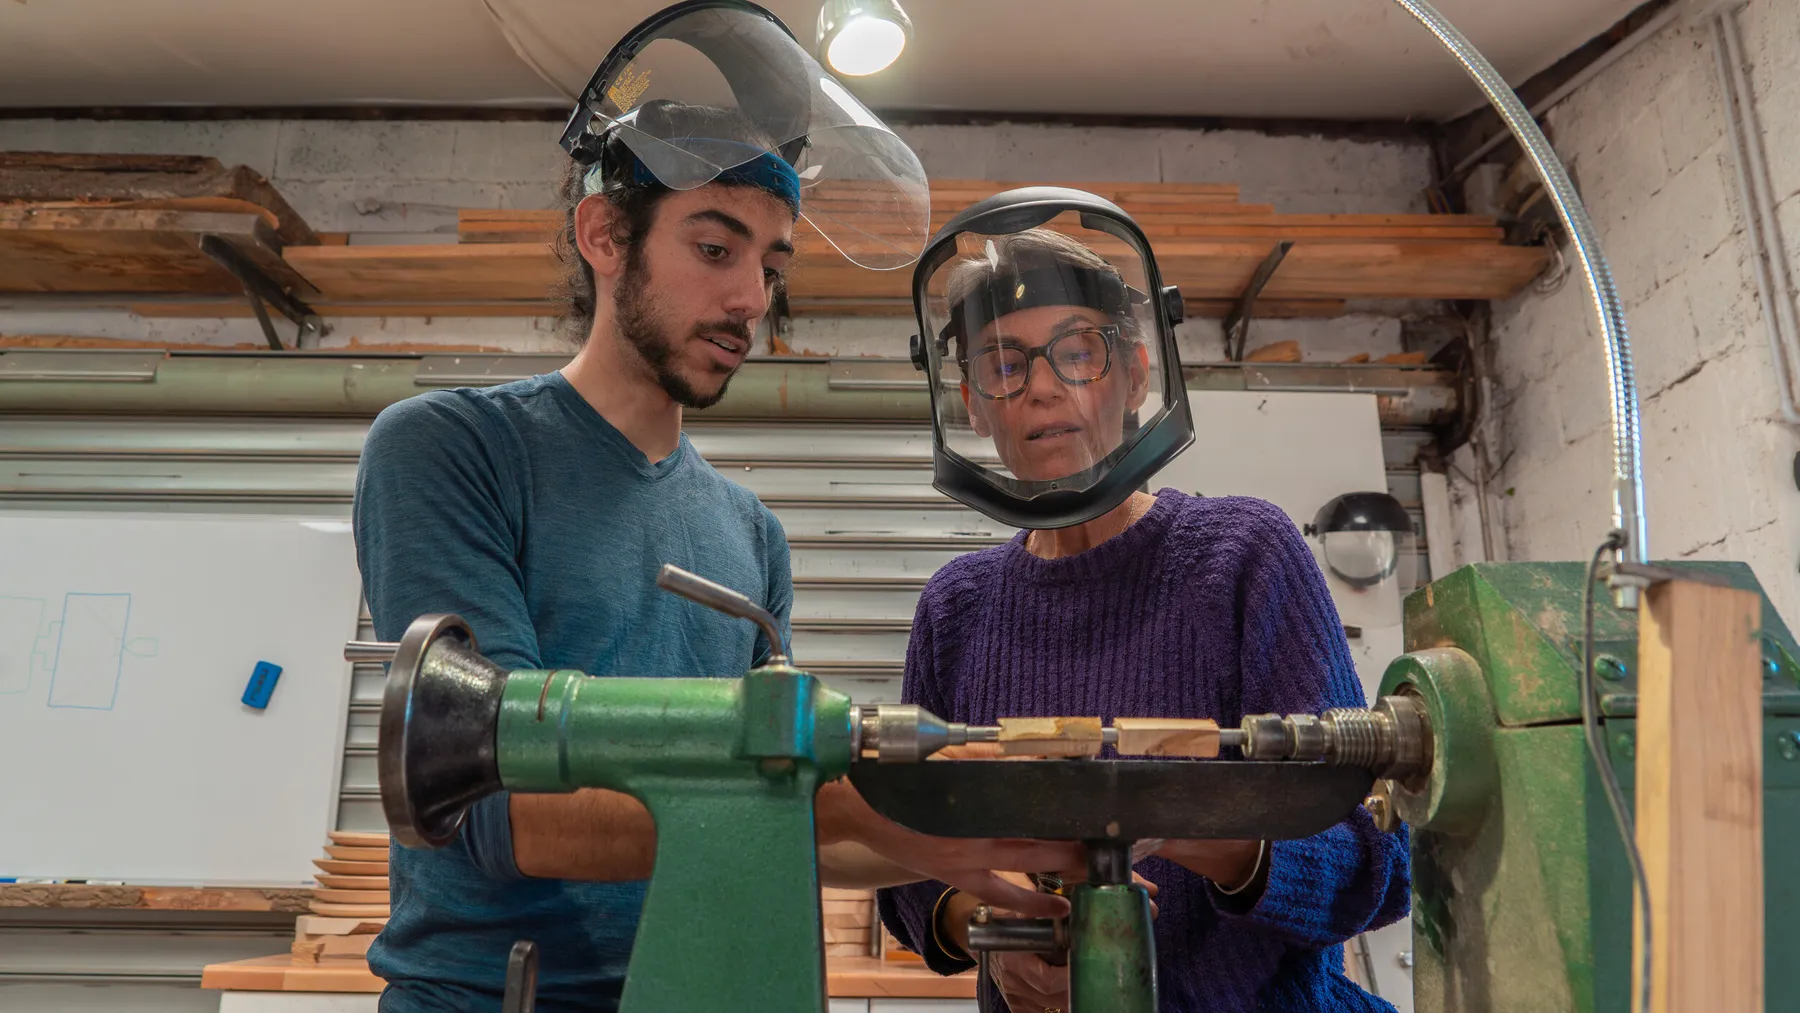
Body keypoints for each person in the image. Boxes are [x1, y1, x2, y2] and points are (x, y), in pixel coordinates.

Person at [353, 6, 1075, 1010]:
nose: (751, 299)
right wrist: (859, 810)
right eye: (714, 246)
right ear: (605, 233)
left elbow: (775, 804)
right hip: (489, 995)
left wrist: (949, 844)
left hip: (691, 983)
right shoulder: (451, 448)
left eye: (773, 265)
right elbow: (499, 806)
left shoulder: (750, 535)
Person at [877, 202, 1412, 1011]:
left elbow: (1375, 863)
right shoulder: (956, 607)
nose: (1043, 387)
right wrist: (989, 921)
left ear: (1136, 374)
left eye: (1077, 352)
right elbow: (905, 866)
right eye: (1002, 363)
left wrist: (1173, 821)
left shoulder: (1242, 556)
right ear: (974, 404)